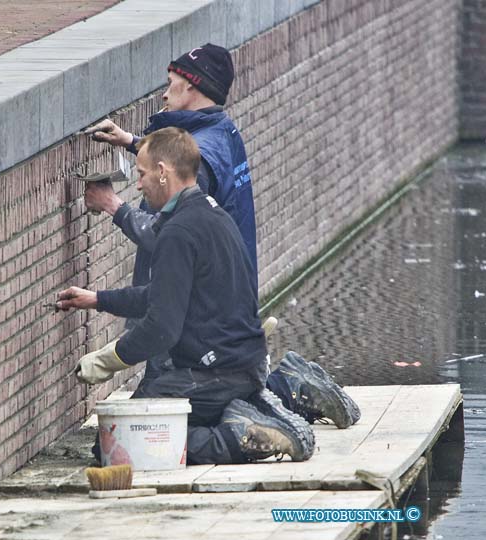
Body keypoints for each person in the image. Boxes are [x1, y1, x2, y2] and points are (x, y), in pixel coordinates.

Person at [85, 43, 360, 429]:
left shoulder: (200, 171)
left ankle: (284, 392)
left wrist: (113, 206)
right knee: (206, 389)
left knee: (157, 419)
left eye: (172, 84)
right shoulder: (219, 130)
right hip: (220, 299)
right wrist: (132, 142)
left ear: (192, 89)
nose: (164, 94)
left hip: (198, 304)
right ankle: (288, 385)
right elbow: (184, 160)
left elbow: (164, 237)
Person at [58, 127, 314, 464]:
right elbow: (164, 294)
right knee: (137, 429)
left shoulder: (179, 232)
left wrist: (108, 359)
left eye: (142, 174)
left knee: (121, 445)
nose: (138, 185)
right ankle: (261, 402)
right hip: (242, 362)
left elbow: (162, 328)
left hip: (214, 374)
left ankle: (238, 436)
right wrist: (99, 299)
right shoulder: (211, 214)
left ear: (162, 173)